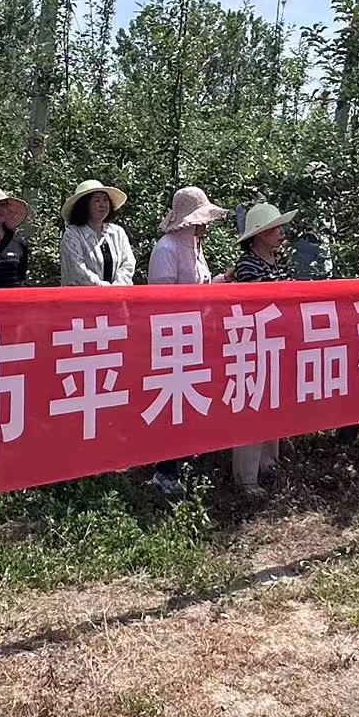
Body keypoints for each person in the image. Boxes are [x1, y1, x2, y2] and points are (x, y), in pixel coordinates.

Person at [146, 185, 233, 497]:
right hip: (174, 337)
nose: (205, 225)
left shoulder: (194, 246)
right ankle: (164, 470)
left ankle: (183, 460)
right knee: (174, 403)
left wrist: (221, 282)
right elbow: (163, 298)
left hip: (197, 333)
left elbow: (199, 285)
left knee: (191, 400)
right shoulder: (166, 248)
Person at [233, 201, 300, 496]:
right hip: (254, 346)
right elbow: (262, 305)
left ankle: (268, 466)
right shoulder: (247, 265)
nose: (282, 233)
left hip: (275, 344)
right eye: (276, 228)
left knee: (273, 405)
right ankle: (246, 478)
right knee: (252, 408)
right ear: (261, 234)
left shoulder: (276, 263)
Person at [59, 179, 135, 285]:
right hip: (84, 299)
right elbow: (78, 271)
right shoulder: (72, 236)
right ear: (85, 205)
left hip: (118, 297)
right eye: (97, 200)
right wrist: (103, 289)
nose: (103, 204)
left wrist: (118, 286)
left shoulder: (117, 232)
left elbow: (128, 263)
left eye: (105, 200)